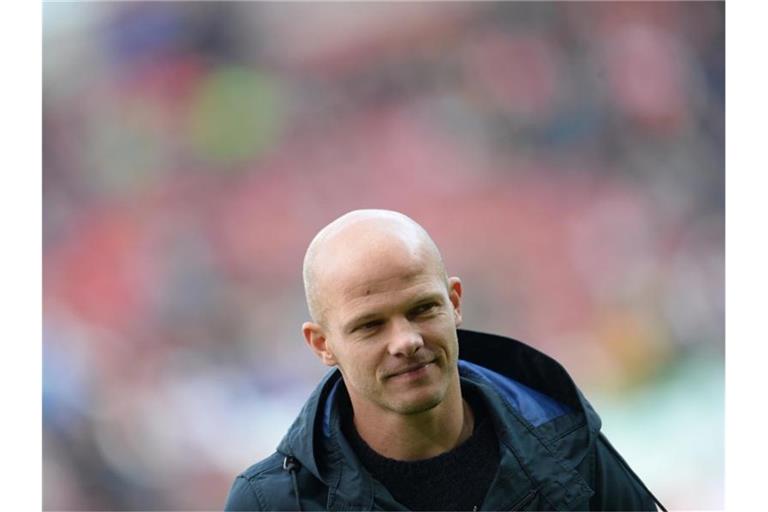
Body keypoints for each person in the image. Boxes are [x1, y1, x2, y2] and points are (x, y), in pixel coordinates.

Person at [225, 209, 665, 511]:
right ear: (322, 344)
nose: (406, 341)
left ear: (454, 302)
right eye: (370, 326)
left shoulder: (566, 444)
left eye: (422, 309)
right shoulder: (274, 504)